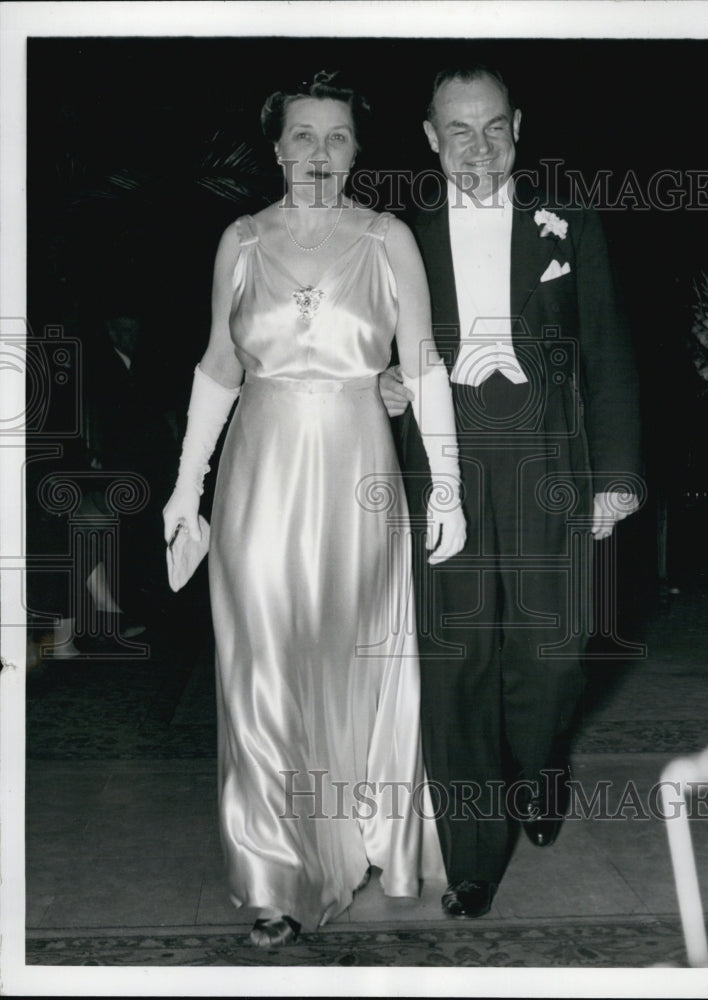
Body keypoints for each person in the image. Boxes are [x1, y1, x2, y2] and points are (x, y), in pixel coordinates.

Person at [162, 71, 466, 947]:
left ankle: (359, 837)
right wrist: (188, 485)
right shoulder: (242, 240)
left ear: (359, 150)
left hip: (357, 476)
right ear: (276, 145)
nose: (319, 152)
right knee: (260, 665)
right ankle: (275, 878)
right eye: (302, 135)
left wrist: (444, 484)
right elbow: (220, 364)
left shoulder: (386, 238)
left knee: (347, 661)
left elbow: (423, 363)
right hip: (257, 477)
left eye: (336, 137)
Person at [381, 64, 641, 919]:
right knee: (458, 663)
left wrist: (616, 476)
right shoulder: (401, 236)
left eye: (492, 127)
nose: (478, 147)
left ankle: (537, 766)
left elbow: (604, 347)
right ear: (429, 137)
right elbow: (374, 348)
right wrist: (381, 382)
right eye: (458, 130)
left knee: (554, 653)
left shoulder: (564, 221)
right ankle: (471, 859)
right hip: (442, 465)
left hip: (549, 458)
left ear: (517, 126)